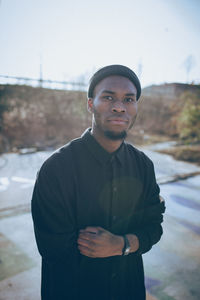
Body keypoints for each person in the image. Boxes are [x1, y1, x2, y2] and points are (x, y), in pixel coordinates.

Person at [31, 64, 165, 300]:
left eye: (129, 99)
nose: (119, 106)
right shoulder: (56, 169)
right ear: (90, 104)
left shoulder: (143, 166)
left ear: (135, 107)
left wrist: (121, 244)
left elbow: (154, 226)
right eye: (109, 97)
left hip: (129, 291)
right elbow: (53, 249)